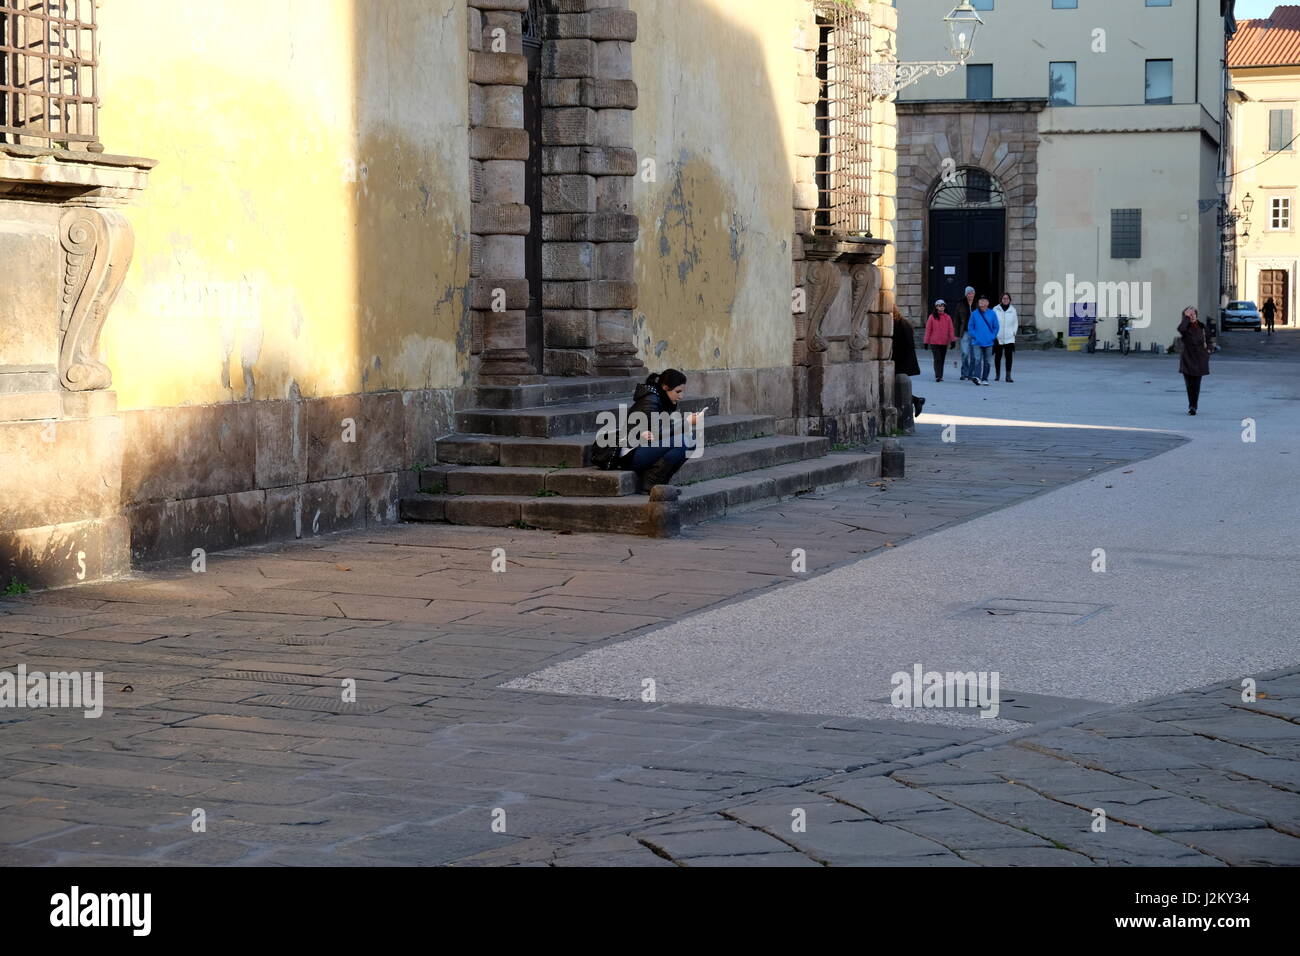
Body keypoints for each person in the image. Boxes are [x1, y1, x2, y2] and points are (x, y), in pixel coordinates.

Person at [621, 369, 701, 493]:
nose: (681, 396)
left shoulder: (661, 399)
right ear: (665, 388)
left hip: (645, 448)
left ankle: (661, 483)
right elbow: (657, 434)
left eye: (682, 392)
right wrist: (687, 423)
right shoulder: (650, 401)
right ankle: (651, 481)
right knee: (685, 441)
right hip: (631, 454)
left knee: (690, 441)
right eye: (678, 391)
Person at [892, 306, 925, 419]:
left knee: (893, 387)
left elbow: (900, 344)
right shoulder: (903, 322)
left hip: (900, 360)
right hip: (903, 360)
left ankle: (916, 400)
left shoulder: (897, 323)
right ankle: (916, 400)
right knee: (893, 387)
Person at [1177, 306, 1210, 416]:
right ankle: (1191, 406)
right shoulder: (1185, 328)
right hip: (1188, 359)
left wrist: (1208, 350)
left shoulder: (1202, 327)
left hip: (1200, 358)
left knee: (1196, 385)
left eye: (1193, 314)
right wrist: (1185, 318)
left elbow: (1209, 339)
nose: (1192, 316)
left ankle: (1194, 406)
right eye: (1189, 315)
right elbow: (1181, 329)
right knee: (1189, 385)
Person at [967, 295, 999, 386]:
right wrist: (975, 336)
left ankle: (985, 378)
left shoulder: (992, 313)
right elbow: (970, 327)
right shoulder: (974, 313)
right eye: (980, 301)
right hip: (977, 342)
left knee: (987, 361)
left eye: (984, 300)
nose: (982, 302)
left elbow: (996, 327)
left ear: (987, 303)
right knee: (977, 360)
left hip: (989, 342)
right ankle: (977, 377)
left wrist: (992, 336)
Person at [923, 299, 956, 382]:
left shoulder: (948, 317)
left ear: (945, 307)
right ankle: (938, 375)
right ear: (936, 307)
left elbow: (951, 329)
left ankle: (940, 375)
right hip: (934, 342)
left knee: (942, 359)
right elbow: (928, 330)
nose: (941, 307)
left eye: (942, 306)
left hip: (944, 342)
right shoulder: (932, 317)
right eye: (939, 306)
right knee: (937, 359)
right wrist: (926, 342)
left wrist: (953, 340)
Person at [993, 293, 1018, 382]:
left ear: (1010, 300)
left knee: (1009, 357)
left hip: (1009, 337)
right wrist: (994, 333)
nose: (1005, 300)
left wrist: (1013, 332)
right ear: (1001, 299)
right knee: (998, 356)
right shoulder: (995, 309)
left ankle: (1008, 376)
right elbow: (993, 322)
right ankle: (997, 374)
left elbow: (1015, 322)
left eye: (1007, 298)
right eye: (1004, 298)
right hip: (998, 336)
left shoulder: (1013, 310)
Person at [954, 286, 977, 381]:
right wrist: (956, 333)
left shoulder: (977, 304)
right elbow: (956, 319)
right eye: (969, 293)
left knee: (974, 354)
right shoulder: (960, 304)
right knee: (965, 353)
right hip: (965, 332)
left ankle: (971, 374)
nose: (970, 295)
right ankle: (964, 373)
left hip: (975, 332)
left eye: (972, 293)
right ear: (966, 294)